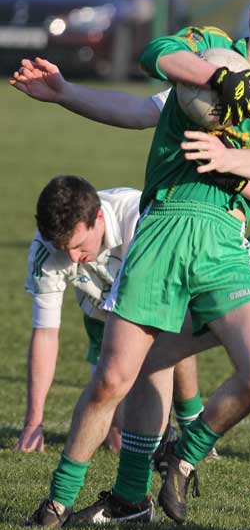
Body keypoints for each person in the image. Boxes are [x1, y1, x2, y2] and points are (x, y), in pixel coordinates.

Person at [12, 0, 250, 519]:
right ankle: (107, 499)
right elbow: (153, 62)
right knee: (128, 370)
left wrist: (229, 163)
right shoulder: (211, 50)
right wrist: (69, 92)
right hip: (184, 232)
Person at [17, 176, 210, 455]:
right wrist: (33, 422)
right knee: (116, 436)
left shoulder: (143, 217)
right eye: (63, 248)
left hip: (156, 301)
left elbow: (159, 313)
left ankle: (191, 420)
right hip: (99, 313)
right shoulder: (47, 248)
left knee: (168, 338)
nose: (72, 258)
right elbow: (45, 334)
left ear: (97, 217)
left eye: (80, 245)